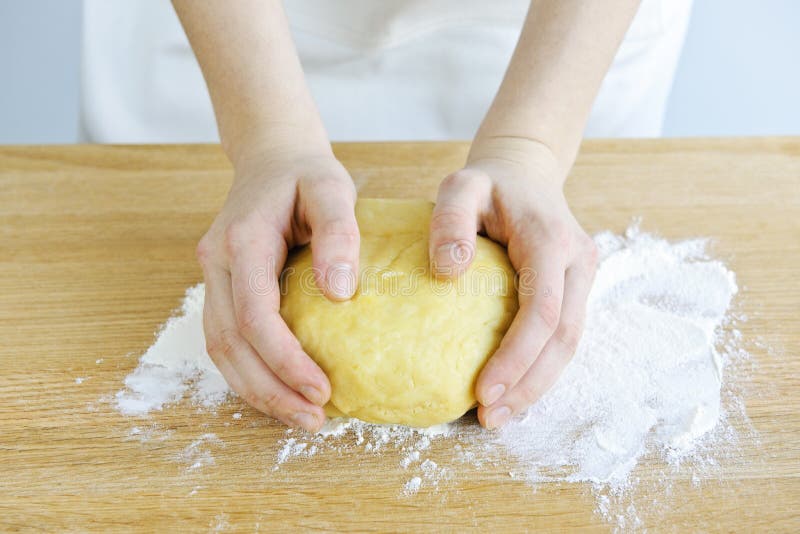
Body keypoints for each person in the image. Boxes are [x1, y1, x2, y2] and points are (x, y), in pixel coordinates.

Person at [82, 0, 693, 432]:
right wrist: (267, 136)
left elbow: (535, 147)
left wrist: (530, 148)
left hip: (548, 40)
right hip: (229, 37)